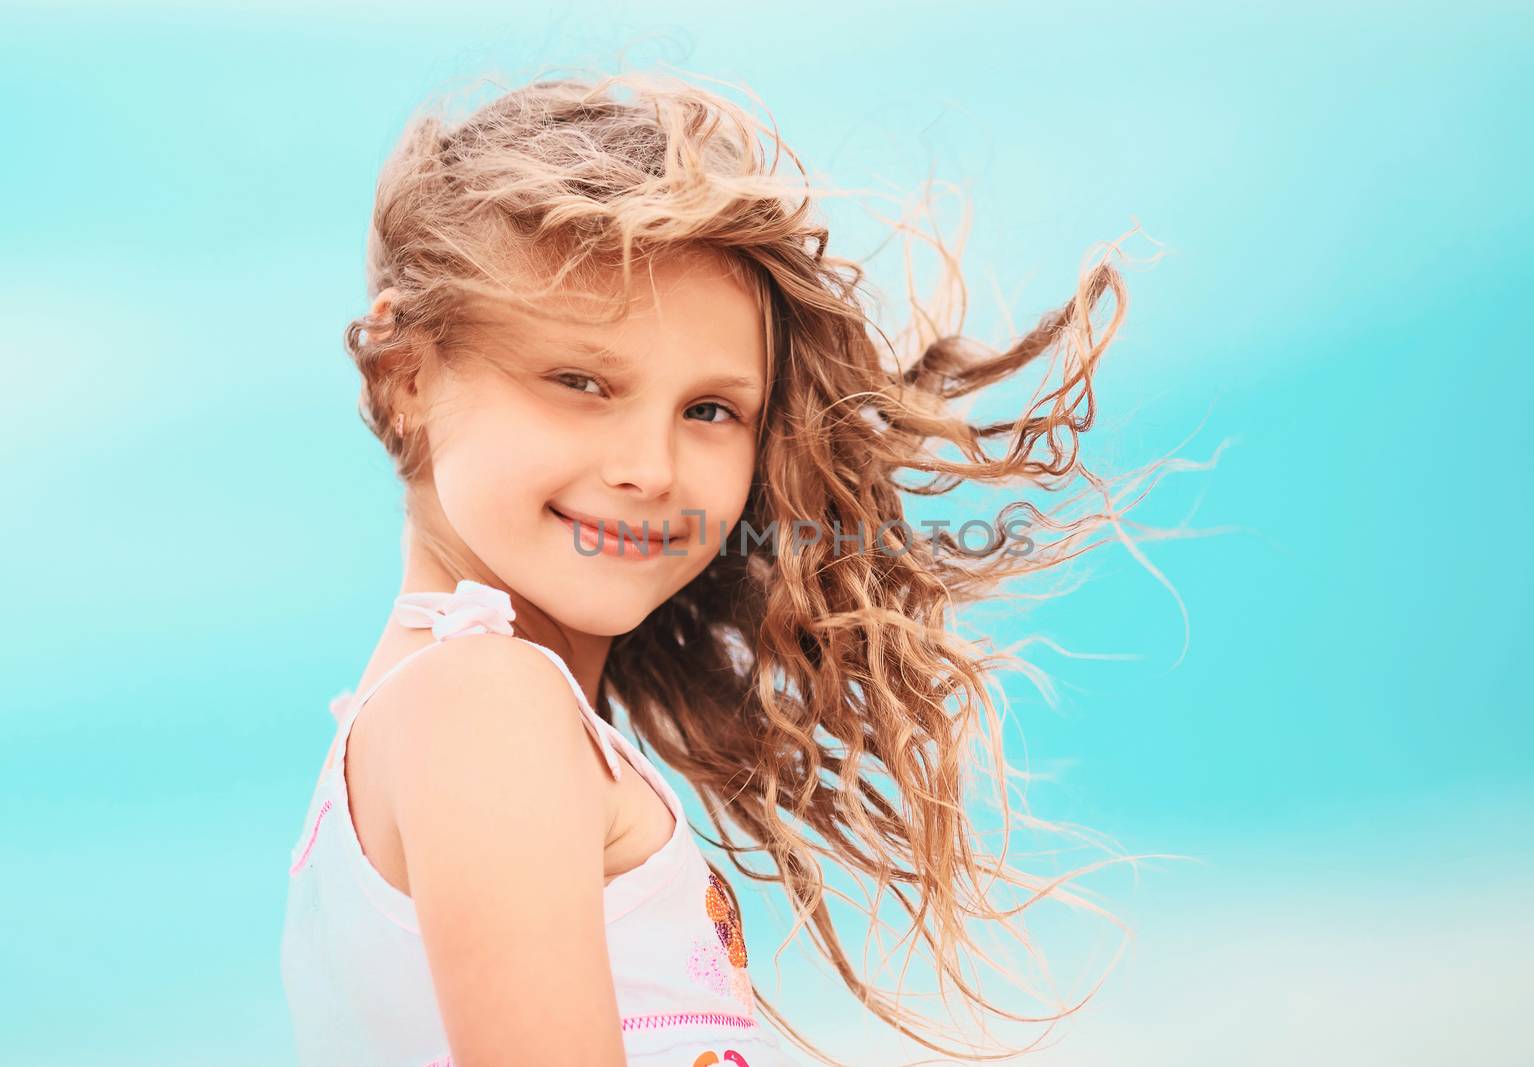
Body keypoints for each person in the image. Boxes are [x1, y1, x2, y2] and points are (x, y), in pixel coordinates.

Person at [280, 69, 1154, 1067]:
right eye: (580, 380)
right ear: (407, 376)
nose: (649, 469)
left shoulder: (448, 707)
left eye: (708, 410)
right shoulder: (484, 699)